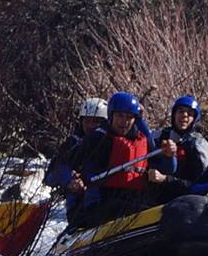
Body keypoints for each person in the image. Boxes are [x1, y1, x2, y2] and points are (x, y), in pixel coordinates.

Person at [66, 91, 157, 227]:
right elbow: (63, 164)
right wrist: (71, 180)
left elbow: (167, 166)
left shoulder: (142, 139)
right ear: (111, 115)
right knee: (118, 206)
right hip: (100, 203)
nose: (124, 122)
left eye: (129, 117)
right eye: (120, 116)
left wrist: (169, 156)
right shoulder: (97, 139)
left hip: (134, 200)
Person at [44, 97, 108, 223]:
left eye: (96, 121)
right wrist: (69, 180)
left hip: (105, 201)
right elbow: (50, 176)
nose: (90, 126)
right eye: (87, 121)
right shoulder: (72, 144)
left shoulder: (110, 143)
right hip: (78, 207)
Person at [148, 95, 208, 202]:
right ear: (174, 115)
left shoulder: (200, 145)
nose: (184, 116)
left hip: (185, 200)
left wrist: (165, 179)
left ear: (194, 119)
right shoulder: (158, 136)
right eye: (181, 111)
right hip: (155, 197)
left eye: (189, 113)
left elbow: (199, 184)